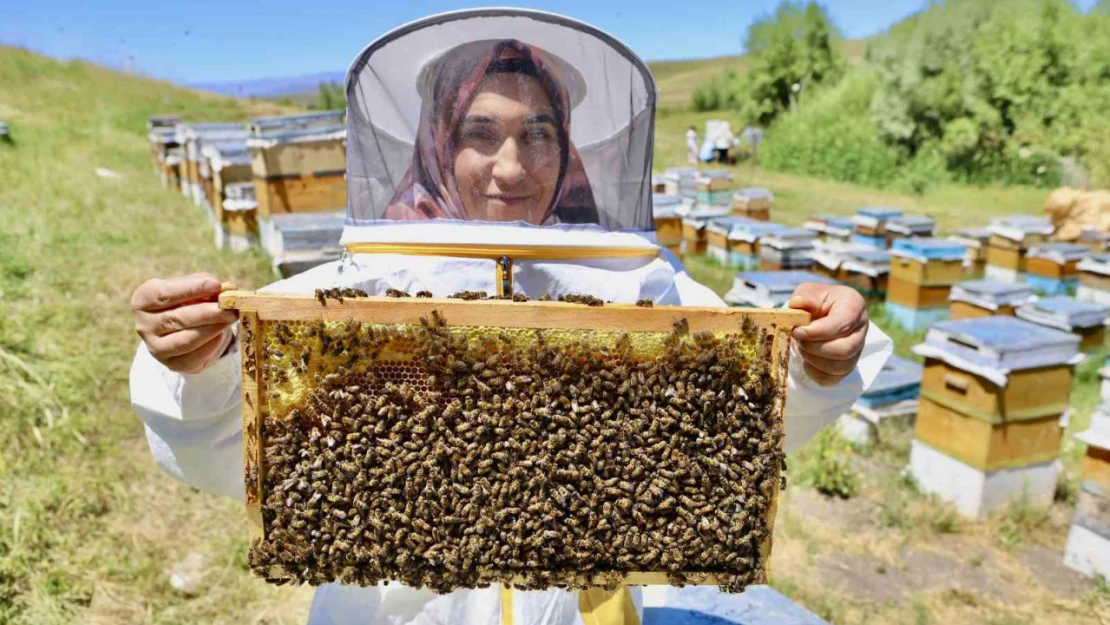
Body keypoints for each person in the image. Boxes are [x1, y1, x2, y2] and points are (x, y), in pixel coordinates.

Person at [130, 10, 891, 625]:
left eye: (539, 132)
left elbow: (735, 434)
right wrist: (202, 368)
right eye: (480, 132)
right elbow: (228, 454)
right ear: (437, 141)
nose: (512, 165)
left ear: (568, 148)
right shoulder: (354, 293)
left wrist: (818, 364)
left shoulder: (638, 287)